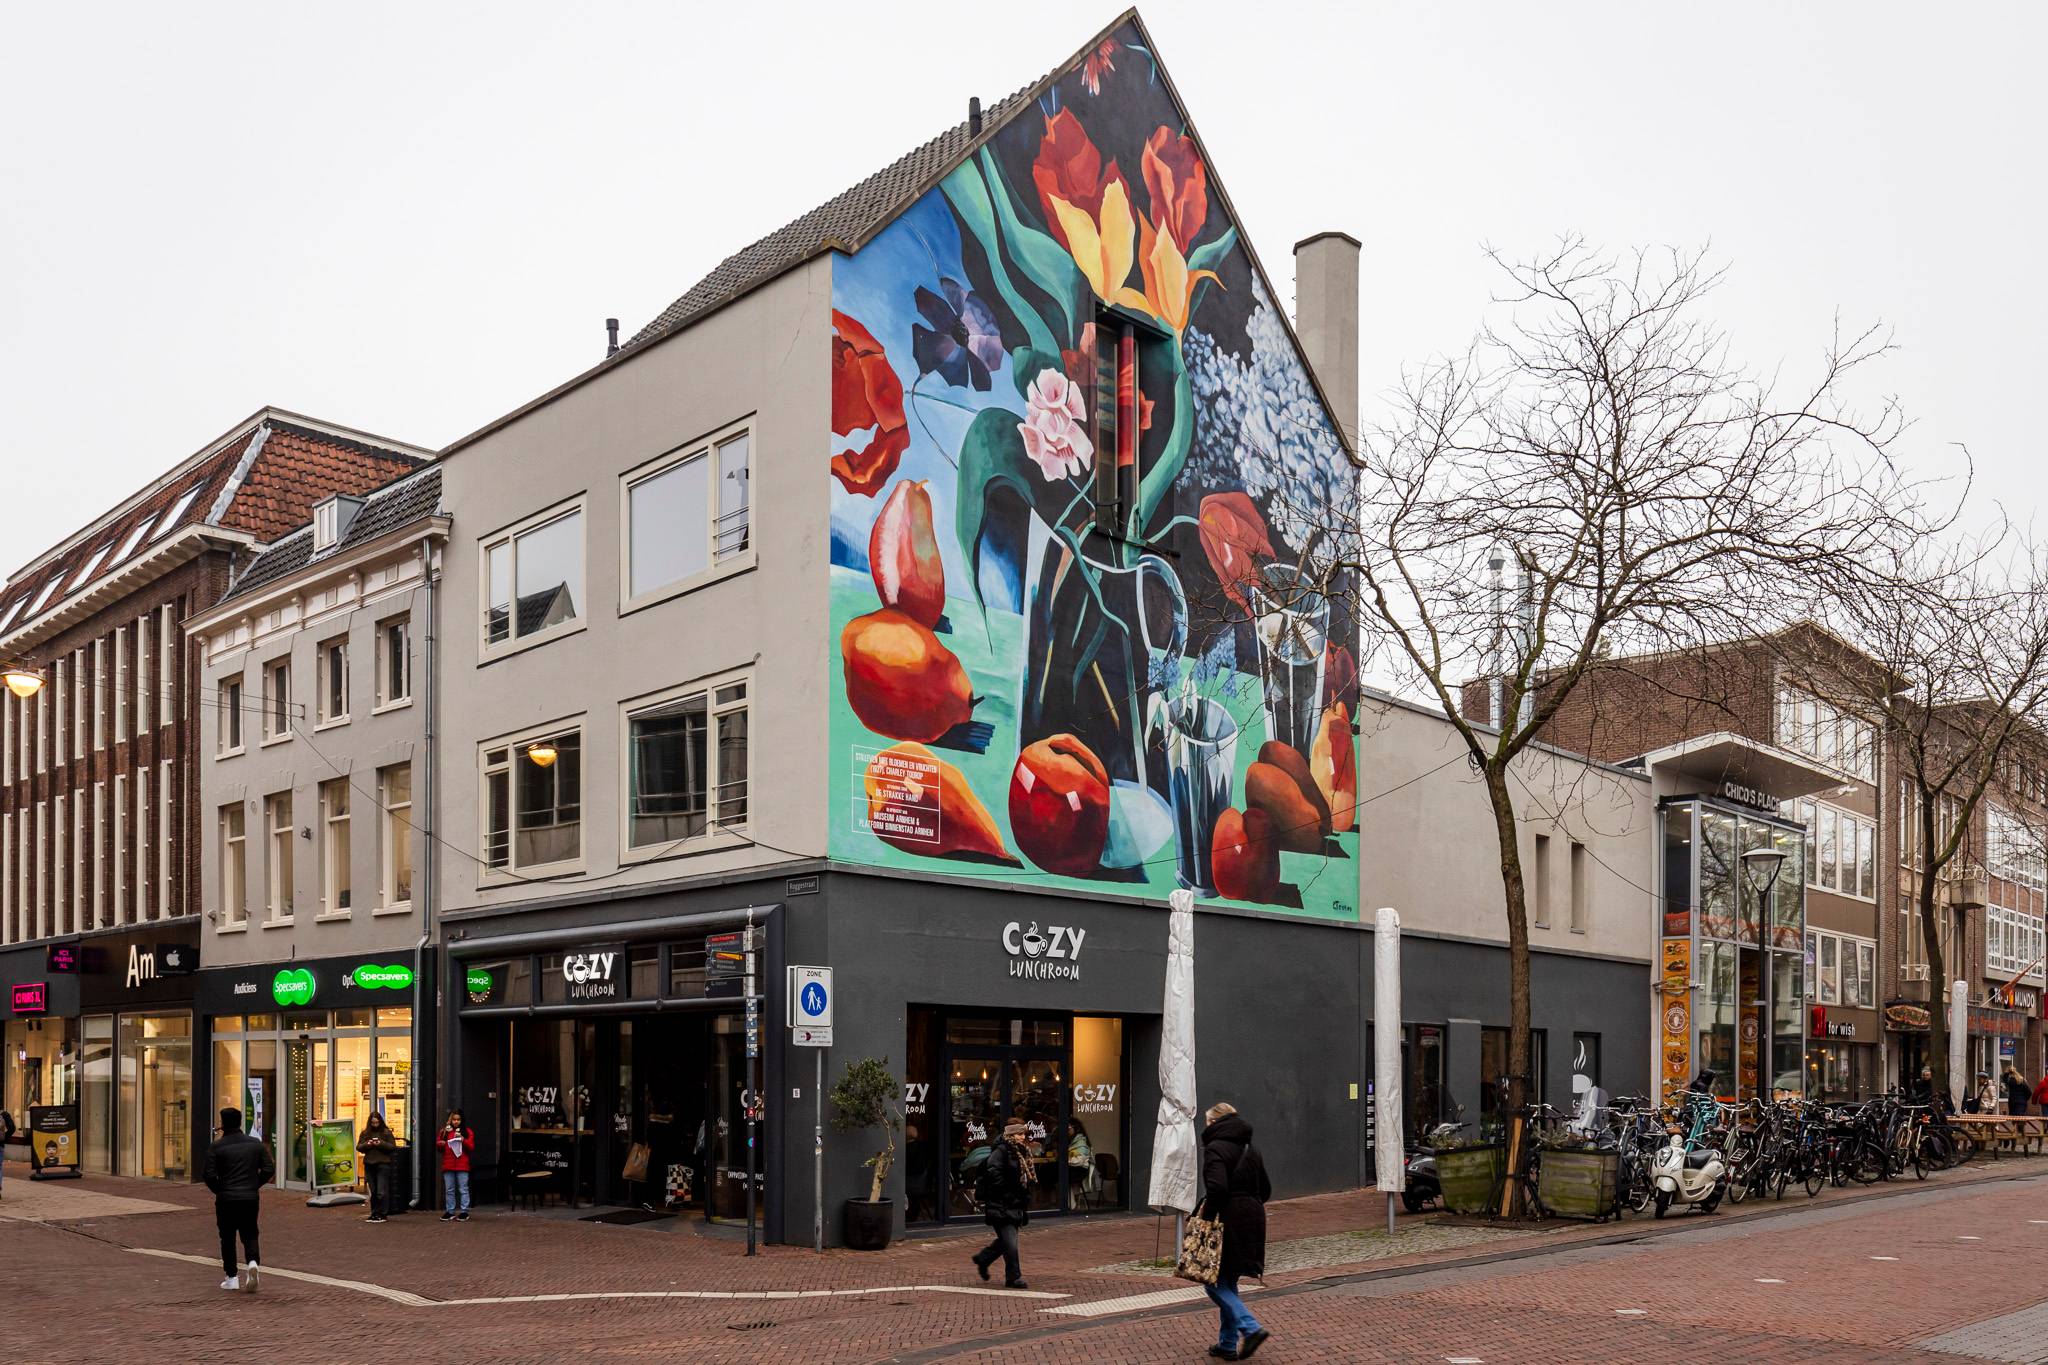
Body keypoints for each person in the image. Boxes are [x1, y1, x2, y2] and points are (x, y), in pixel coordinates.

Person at [1200, 1101, 1274, 1361]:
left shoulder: (1215, 1148)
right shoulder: (1250, 1148)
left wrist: (1207, 1219)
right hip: (1254, 1214)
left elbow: (1217, 1188)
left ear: (1213, 1123)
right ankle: (1227, 1344)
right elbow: (1265, 1188)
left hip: (1228, 1218)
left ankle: (1250, 1328)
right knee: (1228, 1280)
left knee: (1212, 1282)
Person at [202, 1107, 274, 1293]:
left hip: (226, 1198)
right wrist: (254, 1184)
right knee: (250, 1231)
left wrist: (221, 1190)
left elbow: (208, 1175)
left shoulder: (216, 1147)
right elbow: (268, 1169)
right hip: (250, 1197)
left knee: (227, 1236)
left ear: (223, 1123)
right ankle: (252, 1262)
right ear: (240, 1121)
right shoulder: (255, 1144)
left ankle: (232, 1277)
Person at [969, 1117, 1034, 1289]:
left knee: (1006, 1241)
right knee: (1010, 1242)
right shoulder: (1002, 1150)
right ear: (1011, 1134)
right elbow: (993, 1171)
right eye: (1019, 1133)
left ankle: (984, 1259)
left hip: (1013, 1204)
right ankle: (1014, 1277)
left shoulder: (1020, 1151)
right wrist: (1006, 1192)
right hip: (1001, 1204)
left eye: (1023, 1133)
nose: (1022, 1137)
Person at [357, 1111, 398, 1223]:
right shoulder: (365, 1133)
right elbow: (359, 1147)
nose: (375, 1125)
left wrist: (380, 1143)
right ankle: (374, 1213)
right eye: (373, 1123)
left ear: (380, 1121)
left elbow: (392, 1146)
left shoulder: (386, 1132)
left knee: (381, 1191)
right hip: (369, 1164)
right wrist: (367, 1144)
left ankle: (382, 1214)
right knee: (374, 1191)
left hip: (383, 1164)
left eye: (376, 1122)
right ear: (370, 1123)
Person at [437, 1109, 474, 1222]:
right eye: (454, 1119)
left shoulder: (467, 1132)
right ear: (450, 1120)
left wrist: (463, 1140)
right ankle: (450, 1211)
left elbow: (471, 1147)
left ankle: (464, 1211)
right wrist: (440, 1144)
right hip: (448, 1165)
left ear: (461, 1120)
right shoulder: (444, 1131)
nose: (456, 1122)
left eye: (458, 1119)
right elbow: (439, 1147)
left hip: (462, 1164)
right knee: (449, 1189)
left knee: (463, 1189)